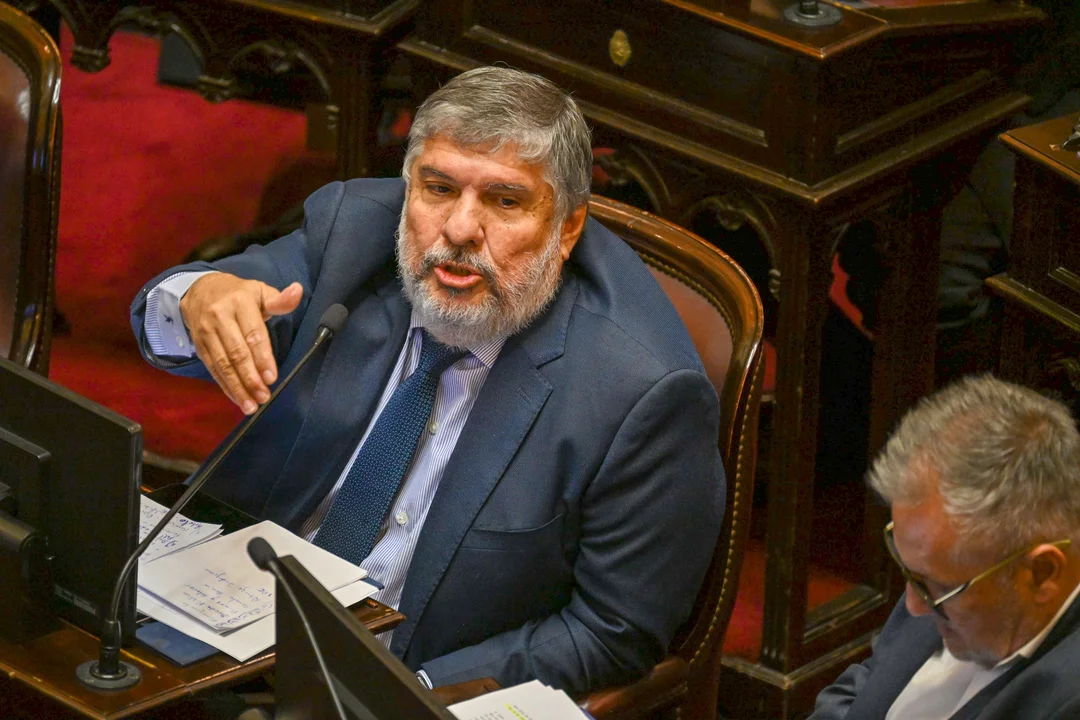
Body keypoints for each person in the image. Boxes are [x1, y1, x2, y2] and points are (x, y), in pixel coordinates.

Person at [129, 66, 724, 694]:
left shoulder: (642, 392)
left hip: (405, 680)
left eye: (505, 201)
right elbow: (174, 315)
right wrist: (198, 297)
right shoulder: (353, 236)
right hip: (217, 618)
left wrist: (404, 693)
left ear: (567, 228)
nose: (460, 230)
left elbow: (610, 632)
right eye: (438, 188)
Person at [809, 375, 1080, 719]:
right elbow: (865, 684)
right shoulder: (948, 566)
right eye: (910, 573)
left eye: (936, 588)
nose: (912, 606)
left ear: (1042, 574)